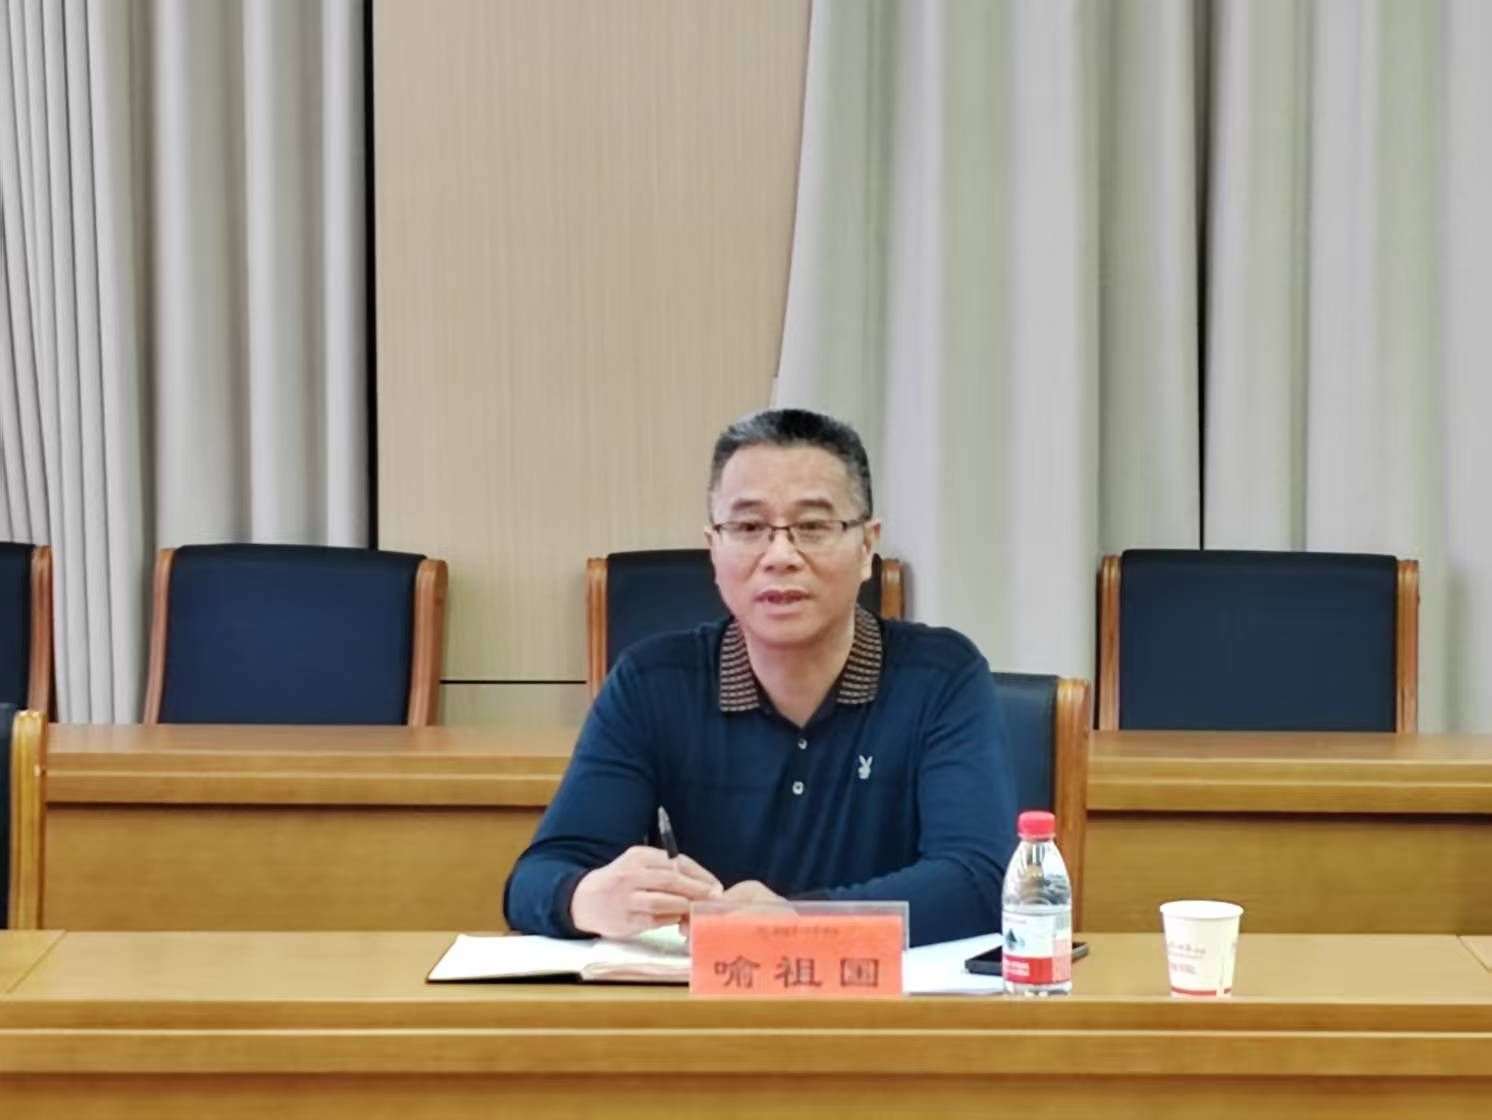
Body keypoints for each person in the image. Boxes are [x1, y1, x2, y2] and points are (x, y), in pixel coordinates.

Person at [503, 408, 1017, 946]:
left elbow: (981, 881)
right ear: (713, 548)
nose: (780, 556)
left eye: (812, 527)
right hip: (706, 996)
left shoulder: (940, 677)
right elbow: (535, 879)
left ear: (867, 547)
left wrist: (797, 922)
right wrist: (585, 897)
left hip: (887, 996)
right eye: (749, 528)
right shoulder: (652, 682)